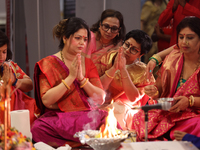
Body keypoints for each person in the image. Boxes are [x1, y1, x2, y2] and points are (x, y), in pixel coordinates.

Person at [31, 17, 113, 148]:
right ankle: (84, 143)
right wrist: (71, 77)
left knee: (107, 118)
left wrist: (81, 78)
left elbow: (100, 98)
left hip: (86, 116)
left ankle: (76, 144)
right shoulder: (48, 63)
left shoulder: (87, 63)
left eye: (85, 39)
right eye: (77, 38)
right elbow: (47, 101)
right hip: (59, 118)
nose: (82, 43)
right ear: (65, 38)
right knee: (37, 128)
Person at [132, 17, 200, 141]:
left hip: (192, 115)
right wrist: (155, 91)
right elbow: (161, 90)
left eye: (190, 38)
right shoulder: (172, 59)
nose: (184, 42)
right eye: (181, 37)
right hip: (169, 112)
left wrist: (190, 101)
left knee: (197, 125)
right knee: (139, 117)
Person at [91, 30, 155, 130]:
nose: (128, 50)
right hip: (101, 100)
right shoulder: (108, 57)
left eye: (134, 49)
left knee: (117, 110)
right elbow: (97, 87)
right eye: (127, 45)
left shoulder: (144, 72)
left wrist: (123, 70)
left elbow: (133, 98)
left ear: (140, 55)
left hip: (126, 105)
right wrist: (113, 69)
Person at [0, 30, 36, 125]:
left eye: (4, 52)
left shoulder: (10, 66)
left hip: (15, 113)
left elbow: (29, 85)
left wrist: (15, 81)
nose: (1, 56)